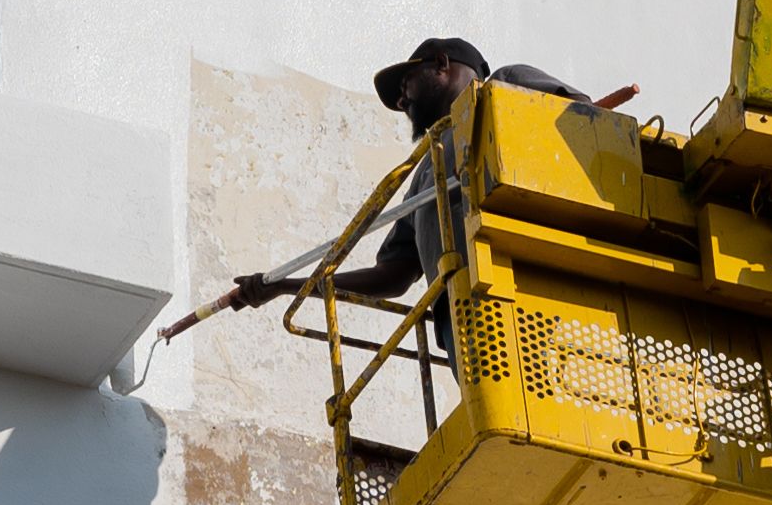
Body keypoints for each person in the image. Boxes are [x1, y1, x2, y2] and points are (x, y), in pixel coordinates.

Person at [207, 33, 626, 318]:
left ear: (442, 64)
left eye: (405, 83)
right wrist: (288, 286)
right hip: (466, 320)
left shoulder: (504, 86)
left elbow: (580, 120)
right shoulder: (425, 173)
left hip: (541, 290)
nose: (402, 100)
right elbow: (393, 276)